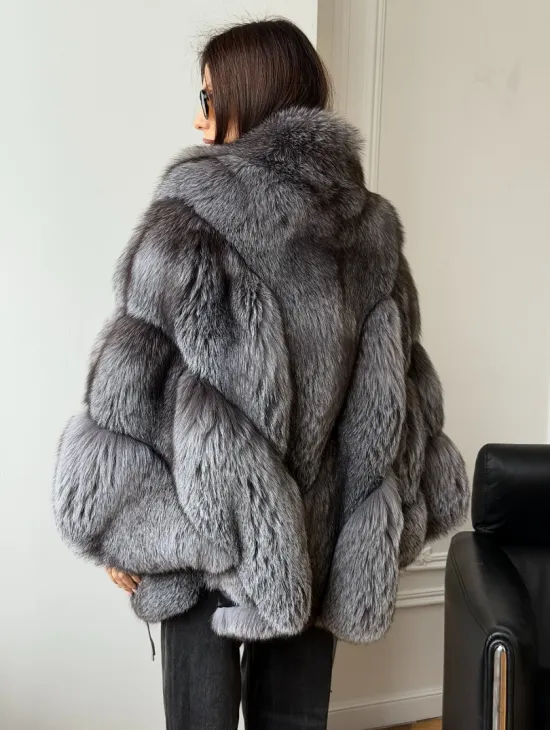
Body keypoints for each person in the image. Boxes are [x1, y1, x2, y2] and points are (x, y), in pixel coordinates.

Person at [53, 17, 469, 730]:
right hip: (314, 548)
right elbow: (396, 405)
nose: (198, 119)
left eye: (208, 98)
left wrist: (124, 525)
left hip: (201, 540)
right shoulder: (369, 232)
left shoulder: (188, 220)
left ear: (248, 97)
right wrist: (378, 523)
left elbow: (128, 388)